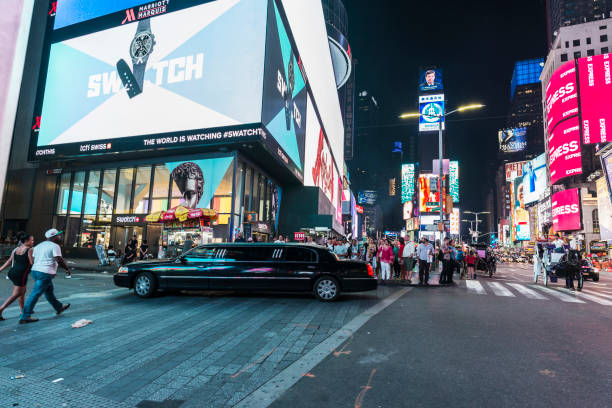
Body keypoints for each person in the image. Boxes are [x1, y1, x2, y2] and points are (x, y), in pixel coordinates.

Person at [19, 229, 71, 324]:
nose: (60, 237)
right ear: (53, 237)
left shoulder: (39, 246)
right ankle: (25, 316)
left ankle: (58, 307)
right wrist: (67, 268)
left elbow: (34, 259)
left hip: (36, 271)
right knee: (35, 294)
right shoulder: (55, 246)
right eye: (58, 235)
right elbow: (58, 259)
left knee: (49, 291)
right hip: (44, 273)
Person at [0, 233, 34, 321]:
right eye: (32, 240)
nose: (33, 242)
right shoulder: (29, 250)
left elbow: (9, 261)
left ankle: (23, 311)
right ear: (26, 241)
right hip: (21, 274)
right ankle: (0, 310)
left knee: (22, 292)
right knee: (17, 294)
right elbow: (32, 263)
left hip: (13, 272)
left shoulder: (16, 249)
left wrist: (0, 269)